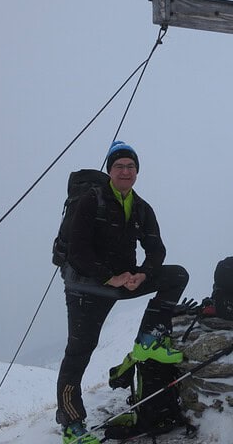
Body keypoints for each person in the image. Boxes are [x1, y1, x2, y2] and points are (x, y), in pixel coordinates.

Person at [55, 141, 189, 444]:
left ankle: (148, 340)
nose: (125, 171)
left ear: (137, 172)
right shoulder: (91, 200)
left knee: (176, 276)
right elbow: (78, 250)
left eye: (130, 166)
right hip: (85, 287)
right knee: (79, 352)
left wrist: (143, 274)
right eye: (119, 166)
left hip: (122, 282)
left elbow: (156, 250)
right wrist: (109, 277)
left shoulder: (141, 207)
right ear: (109, 171)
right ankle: (71, 423)